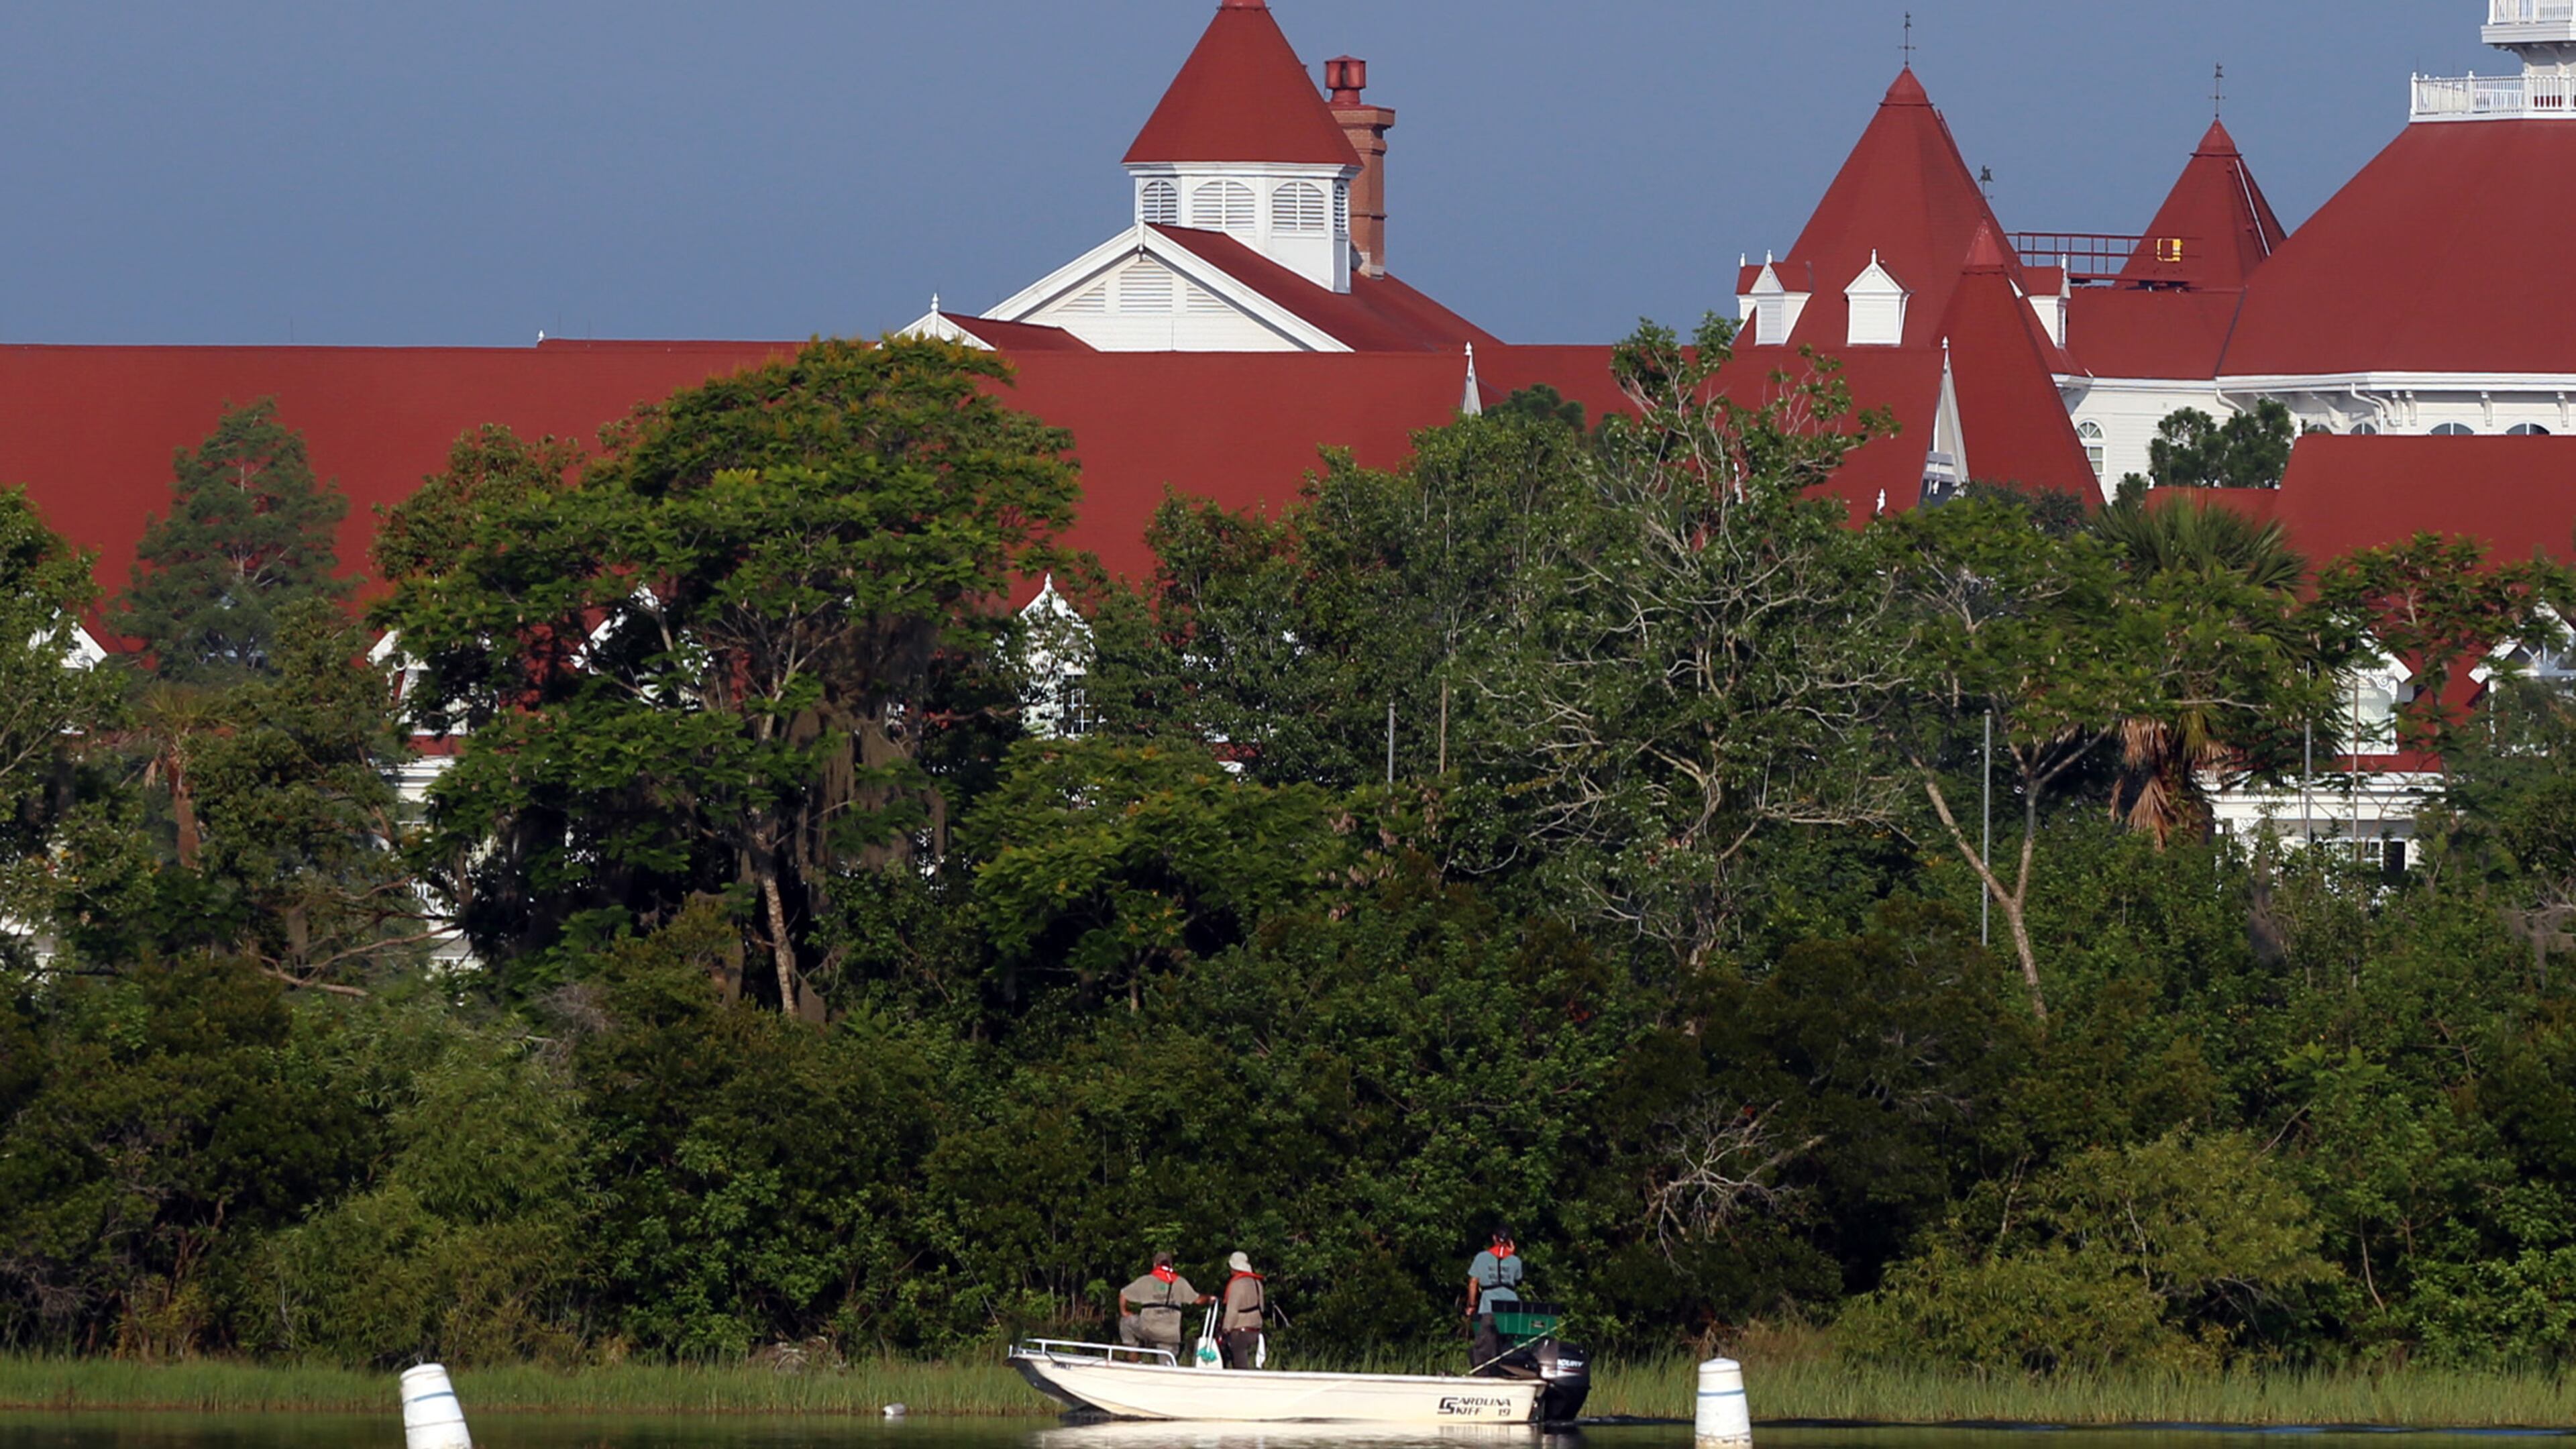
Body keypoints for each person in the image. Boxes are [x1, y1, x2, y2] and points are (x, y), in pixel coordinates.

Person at [1117, 1252, 1211, 1357]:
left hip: (1148, 1328)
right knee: (1167, 1363)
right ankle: (1166, 1366)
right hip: (1170, 1333)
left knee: (1126, 1322)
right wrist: (1210, 1298)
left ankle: (1133, 1355)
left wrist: (1124, 1311)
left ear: (1155, 1265)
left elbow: (1123, 1294)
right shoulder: (1180, 1282)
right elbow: (1199, 1300)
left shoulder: (1145, 1281)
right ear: (1171, 1265)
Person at [1465, 1225, 1524, 1368]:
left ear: (1494, 1238)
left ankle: (1483, 1372)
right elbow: (1518, 1279)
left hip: (1489, 1305)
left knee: (1485, 1343)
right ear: (1509, 1241)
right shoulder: (1516, 1261)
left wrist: (1472, 1305)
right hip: (1511, 1305)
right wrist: (1512, 1254)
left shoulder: (1481, 1257)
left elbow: (1473, 1282)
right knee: (1508, 1343)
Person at [1219, 1250, 1267, 1369]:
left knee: (1240, 1365)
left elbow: (1232, 1311)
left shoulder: (1236, 1284)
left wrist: (1225, 1329)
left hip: (1240, 1331)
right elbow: (1262, 1306)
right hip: (1256, 1329)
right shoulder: (1257, 1283)